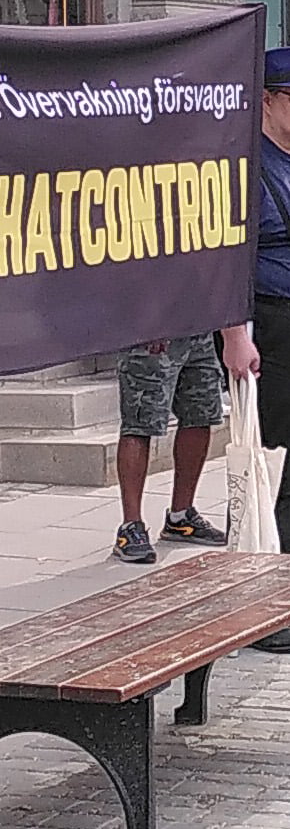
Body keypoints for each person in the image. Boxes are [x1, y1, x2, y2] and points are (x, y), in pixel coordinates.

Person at [219, 45, 290, 650]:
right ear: (267, 100)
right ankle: (255, 593)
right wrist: (235, 335)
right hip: (267, 325)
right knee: (262, 460)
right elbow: (225, 260)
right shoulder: (247, 167)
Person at [112, 332, 228, 561]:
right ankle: (130, 527)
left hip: (199, 331)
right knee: (139, 423)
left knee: (200, 415)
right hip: (151, 332)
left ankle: (180, 517)